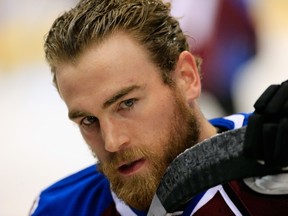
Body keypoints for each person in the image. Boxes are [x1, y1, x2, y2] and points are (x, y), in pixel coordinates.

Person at [30, 0, 288, 215]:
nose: (112, 142)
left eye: (127, 103)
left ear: (187, 78)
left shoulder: (275, 167)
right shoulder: (59, 209)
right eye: (88, 120)